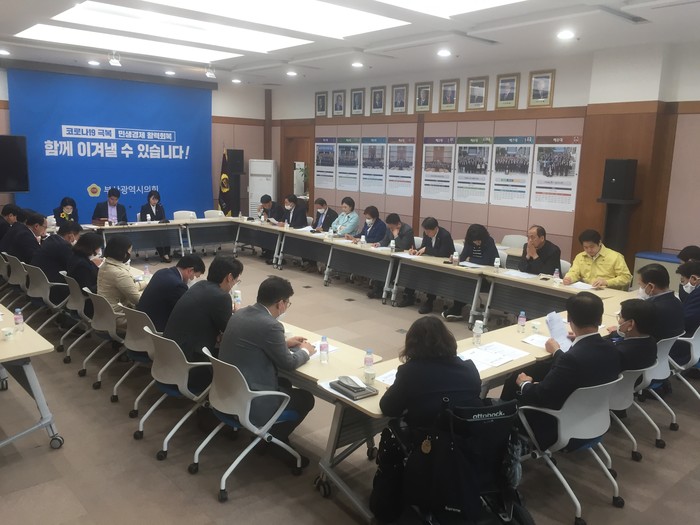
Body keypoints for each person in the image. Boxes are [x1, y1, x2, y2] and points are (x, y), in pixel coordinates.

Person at [513, 292, 621, 450]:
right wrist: (557, 351)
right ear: (600, 319)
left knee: (514, 386)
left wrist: (525, 384)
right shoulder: (612, 348)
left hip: (559, 426)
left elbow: (541, 396)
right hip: (594, 420)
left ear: (570, 318)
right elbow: (576, 368)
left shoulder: (572, 359)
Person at [219, 276, 316, 450]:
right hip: (250, 401)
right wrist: (305, 351)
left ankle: (271, 433)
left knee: (284, 382)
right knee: (306, 398)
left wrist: (284, 344)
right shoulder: (271, 325)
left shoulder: (240, 313)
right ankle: (272, 442)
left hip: (225, 393)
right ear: (280, 303)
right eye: (287, 303)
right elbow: (288, 363)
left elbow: (253, 342)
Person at [380, 316, 482, 427]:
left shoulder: (409, 372)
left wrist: (395, 390)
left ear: (411, 344)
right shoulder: (468, 368)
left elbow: (389, 409)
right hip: (468, 432)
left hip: (428, 434)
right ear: (448, 340)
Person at [164, 256, 242, 391]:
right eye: (236, 280)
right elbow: (230, 332)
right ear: (229, 277)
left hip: (168, 358)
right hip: (190, 366)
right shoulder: (221, 296)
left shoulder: (198, 285)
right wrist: (239, 314)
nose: (235, 283)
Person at [398, 217, 455, 314]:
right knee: (413, 271)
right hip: (430, 262)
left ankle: (429, 302)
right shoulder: (426, 233)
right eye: (425, 231)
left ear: (436, 228)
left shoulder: (445, 235)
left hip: (443, 266)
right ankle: (409, 296)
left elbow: (442, 253)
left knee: (432, 275)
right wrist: (416, 251)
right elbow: (423, 247)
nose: (426, 233)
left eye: (428, 231)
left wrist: (426, 250)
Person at [443, 224, 498, 321]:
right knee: (460, 280)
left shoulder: (489, 241)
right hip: (472, 274)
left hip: (486, 277)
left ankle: (456, 309)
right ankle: (457, 309)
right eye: (475, 241)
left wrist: (470, 259)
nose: (477, 243)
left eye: (479, 241)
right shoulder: (469, 242)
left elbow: (486, 261)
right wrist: (456, 258)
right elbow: (463, 257)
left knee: (465, 283)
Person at [137, 254, 205, 332]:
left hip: (140, 323)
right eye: (195, 276)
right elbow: (187, 311)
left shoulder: (161, 272)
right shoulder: (178, 285)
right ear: (190, 270)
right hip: (156, 330)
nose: (193, 280)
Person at [97, 235, 146, 327]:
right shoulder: (120, 274)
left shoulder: (105, 266)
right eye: (129, 252)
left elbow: (126, 287)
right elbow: (138, 301)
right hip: (119, 317)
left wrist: (146, 284)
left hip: (105, 314)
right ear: (123, 253)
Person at [31, 221, 82, 303]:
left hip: (39, 283)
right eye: (78, 236)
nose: (78, 239)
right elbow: (74, 265)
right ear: (71, 235)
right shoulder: (63, 246)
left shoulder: (51, 239)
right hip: (53, 287)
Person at [563, 229, 631, 290]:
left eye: (592, 247)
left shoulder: (615, 256)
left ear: (599, 242)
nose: (589, 250)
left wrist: (606, 282)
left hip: (608, 291)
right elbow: (574, 272)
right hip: (587, 290)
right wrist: (569, 278)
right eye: (585, 247)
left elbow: (626, 277)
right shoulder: (580, 256)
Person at [367, 213, 415, 299]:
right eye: (389, 227)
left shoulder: (408, 230)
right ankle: (377, 288)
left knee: (391, 266)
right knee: (381, 263)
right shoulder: (389, 228)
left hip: (404, 258)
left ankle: (382, 289)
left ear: (398, 224)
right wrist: (378, 244)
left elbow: (404, 246)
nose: (390, 229)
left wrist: (396, 236)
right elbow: (385, 240)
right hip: (393, 255)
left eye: (392, 227)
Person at [634, 264, 684, 341]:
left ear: (651, 286)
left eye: (641, 285)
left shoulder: (649, 309)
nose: (640, 289)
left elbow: (633, 334)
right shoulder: (678, 302)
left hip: (649, 346)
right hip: (671, 346)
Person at [613, 299, 658, 372]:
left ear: (631, 324)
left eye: (620, 317)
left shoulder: (618, 352)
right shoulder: (652, 341)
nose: (619, 321)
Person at [672, 261, 700, 366]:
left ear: (694, 278)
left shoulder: (698, 295)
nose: (683, 284)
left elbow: (685, 320)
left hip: (686, 343)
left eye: (683, 280)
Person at [138, 190, 171, 262]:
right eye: (153, 199)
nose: (155, 201)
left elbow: (163, 218)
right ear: (149, 198)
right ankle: (162, 255)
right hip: (149, 229)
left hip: (160, 229)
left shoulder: (160, 207)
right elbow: (143, 219)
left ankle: (167, 254)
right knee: (157, 236)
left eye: (156, 199)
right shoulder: (144, 207)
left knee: (167, 235)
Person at [258, 194, 284, 261]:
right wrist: (259, 212)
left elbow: (275, 220)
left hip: (278, 228)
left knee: (269, 236)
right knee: (260, 233)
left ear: (270, 202)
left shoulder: (277, 207)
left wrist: (267, 218)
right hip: (269, 227)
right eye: (263, 205)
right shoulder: (264, 207)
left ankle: (272, 254)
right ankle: (266, 252)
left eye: (266, 205)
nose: (265, 206)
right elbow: (262, 218)